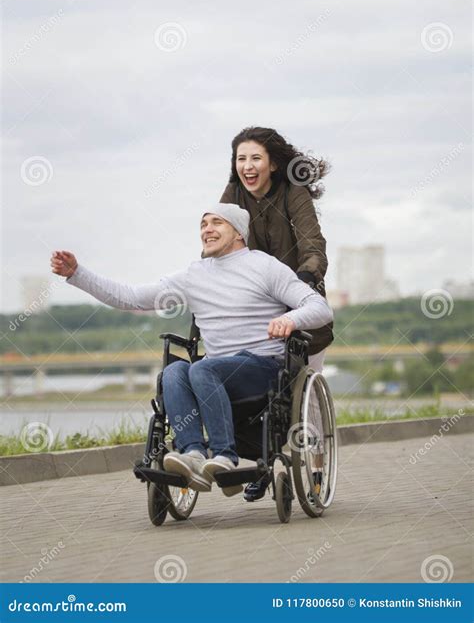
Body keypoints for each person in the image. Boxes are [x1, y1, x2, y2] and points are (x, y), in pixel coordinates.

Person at [51, 203, 333, 496]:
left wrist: (290, 319)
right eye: (203, 224)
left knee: (201, 368)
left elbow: (318, 308)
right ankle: (194, 455)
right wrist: (78, 273)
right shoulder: (193, 276)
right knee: (174, 372)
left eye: (217, 223)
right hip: (213, 373)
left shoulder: (265, 267)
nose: (207, 230)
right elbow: (131, 298)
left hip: (263, 368)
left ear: (238, 233)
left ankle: (225, 456)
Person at [220, 126, 333, 499]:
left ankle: (315, 469)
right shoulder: (233, 195)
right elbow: (218, 237)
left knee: (304, 397)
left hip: (297, 303)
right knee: (245, 383)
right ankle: (260, 460)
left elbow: (312, 243)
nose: (248, 167)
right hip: (250, 308)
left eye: (256, 158)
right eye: (241, 159)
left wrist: (304, 279)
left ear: (272, 164)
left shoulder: (292, 193)